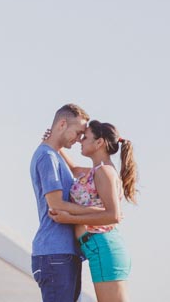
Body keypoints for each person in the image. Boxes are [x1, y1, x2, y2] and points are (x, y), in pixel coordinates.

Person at [49, 120, 139, 302]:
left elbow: (113, 215)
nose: (81, 140)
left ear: (99, 143)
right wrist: (56, 145)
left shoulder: (104, 172)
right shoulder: (97, 171)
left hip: (104, 248)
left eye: (86, 137)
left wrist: (69, 218)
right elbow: (74, 169)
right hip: (99, 248)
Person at [30, 103, 90, 302]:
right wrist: (97, 212)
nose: (80, 138)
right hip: (54, 254)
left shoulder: (55, 157)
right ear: (62, 124)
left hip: (64, 253)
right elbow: (57, 205)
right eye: (78, 132)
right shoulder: (47, 158)